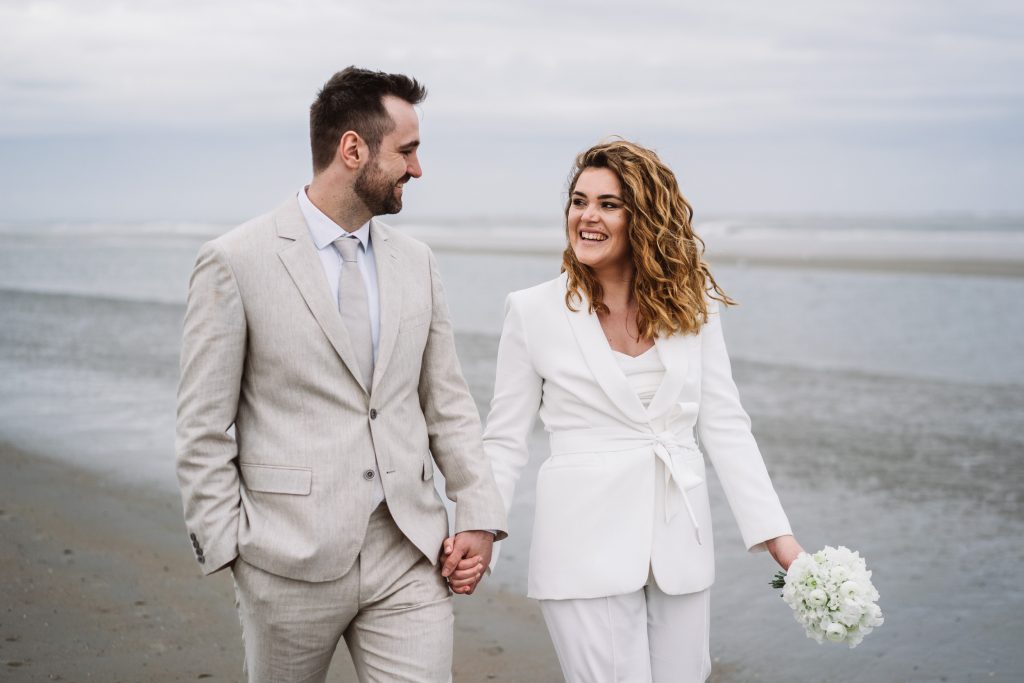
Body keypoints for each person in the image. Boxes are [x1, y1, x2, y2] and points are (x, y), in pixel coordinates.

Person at [175, 66, 508, 683]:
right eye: (407, 150)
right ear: (352, 148)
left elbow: (448, 403)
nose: (417, 168)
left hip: (409, 553)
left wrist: (478, 516)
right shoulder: (235, 261)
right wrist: (232, 550)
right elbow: (201, 426)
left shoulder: (418, 263)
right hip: (286, 561)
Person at [460, 140, 804, 682]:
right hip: (581, 545)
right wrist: (479, 530)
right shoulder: (531, 311)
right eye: (579, 201)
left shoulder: (695, 309)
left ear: (643, 218)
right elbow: (504, 440)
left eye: (608, 204)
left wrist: (782, 544)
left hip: (680, 545)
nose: (587, 217)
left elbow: (726, 426)